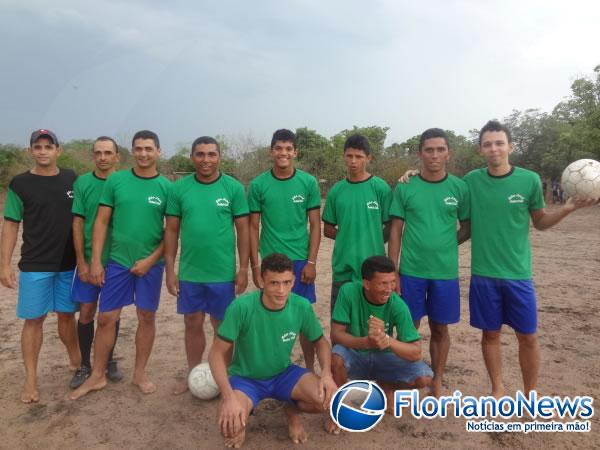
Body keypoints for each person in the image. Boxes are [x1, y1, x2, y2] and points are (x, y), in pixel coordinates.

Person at [465, 120, 598, 397]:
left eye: (499, 143)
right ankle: (498, 389)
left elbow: (540, 222)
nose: (494, 149)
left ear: (510, 146)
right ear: (481, 150)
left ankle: (530, 393)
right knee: (490, 335)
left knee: (528, 336)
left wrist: (568, 209)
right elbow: (440, 184)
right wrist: (412, 173)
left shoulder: (529, 180)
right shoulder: (470, 181)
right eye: (488, 144)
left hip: (518, 274)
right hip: (483, 274)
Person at [71, 130, 171, 400]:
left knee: (146, 317)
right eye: (138, 148)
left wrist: (150, 260)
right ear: (132, 151)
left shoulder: (167, 188)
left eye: (149, 148)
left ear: (158, 152)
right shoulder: (116, 181)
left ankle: (139, 373)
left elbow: (171, 233)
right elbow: (101, 222)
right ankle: (97, 375)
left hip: (151, 264)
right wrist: (94, 262)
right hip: (117, 262)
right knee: (106, 318)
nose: (143, 153)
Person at [208, 253, 338, 448]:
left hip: (283, 374)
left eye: (286, 282)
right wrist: (228, 396)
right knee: (229, 427)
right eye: (274, 283)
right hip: (245, 378)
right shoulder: (241, 307)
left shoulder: (301, 306)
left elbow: (321, 342)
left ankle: (291, 411)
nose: (281, 290)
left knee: (328, 401)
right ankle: (242, 413)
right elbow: (216, 353)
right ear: (261, 280)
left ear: (293, 281)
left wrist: (326, 373)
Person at [388, 128, 469, 397]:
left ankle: (437, 380)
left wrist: (445, 245)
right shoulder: (406, 186)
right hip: (410, 271)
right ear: (420, 153)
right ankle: (403, 378)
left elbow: (467, 227)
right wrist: (393, 271)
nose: (434, 155)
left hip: (444, 273)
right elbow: (396, 230)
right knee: (408, 327)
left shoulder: (459, 188)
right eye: (429, 150)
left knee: (440, 327)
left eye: (440, 149)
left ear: (448, 153)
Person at [165, 136, 249, 394]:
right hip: (191, 272)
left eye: (211, 154)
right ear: (192, 157)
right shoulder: (179, 189)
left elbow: (243, 230)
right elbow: (171, 231)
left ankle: (222, 376)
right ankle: (194, 374)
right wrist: (170, 269)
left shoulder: (233, 188)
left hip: (223, 273)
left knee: (222, 326)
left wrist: (243, 268)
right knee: (192, 322)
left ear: (219, 157)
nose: (206, 160)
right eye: (200, 154)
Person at [0, 129, 80, 403]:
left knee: (67, 316)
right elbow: (11, 224)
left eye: (48, 146)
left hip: (69, 263)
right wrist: (4, 264)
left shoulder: (72, 179)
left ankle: (76, 362)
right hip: (35, 264)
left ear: (58, 150)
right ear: (30, 150)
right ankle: (31, 379)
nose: (43, 151)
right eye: (38, 146)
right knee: (34, 320)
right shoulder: (20, 184)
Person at [248, 128, 321, 371]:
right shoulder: (258, 184)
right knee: (270, 316)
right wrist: (255, 266)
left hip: (299, 261)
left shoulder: (308, 182)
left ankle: (309, 369)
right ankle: (273, 367)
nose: (283, 153)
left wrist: (311, 263)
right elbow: (253, 226)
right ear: (271, 151)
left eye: (288, 149)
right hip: (270, 262)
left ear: (295, 152)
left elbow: (314, 224)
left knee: (304, 318)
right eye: (278, 148)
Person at [330, 256, 432, 408]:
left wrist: (387, 340)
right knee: (336, 357)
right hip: (356, 354)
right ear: (366, 284)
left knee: (424, 377)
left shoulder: (398, 305)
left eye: (392, 282)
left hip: (384, 356)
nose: (389, 289)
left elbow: (416, 352)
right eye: (383, 283)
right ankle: (339, 405)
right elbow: (336, 334)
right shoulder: (348, 292)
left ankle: (386, 386)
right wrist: (366, 342)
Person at [69, 136, 123, 389]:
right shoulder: (83, 183)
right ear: (93, 156)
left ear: (117, 157)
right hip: (91, 259)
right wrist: (82, 261)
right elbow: (78, 222)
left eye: (108, 152)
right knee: (87, 312)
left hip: (117, 261)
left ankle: (109, 361)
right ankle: (84, 366)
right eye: (98, 153)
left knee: (111, 314)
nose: (103, 157)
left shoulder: (125, 182)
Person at [322, 134, 392, 312]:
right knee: (341, 323)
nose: (354, 161)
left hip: (374, 269)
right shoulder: (336, 190)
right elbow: (328, 228)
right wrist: (348, 237)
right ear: (344, 156)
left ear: (369, 158)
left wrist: (372, 239)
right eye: (349, 156)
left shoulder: (381, 188)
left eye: (359, 157)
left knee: (373, 325)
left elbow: (391, 226)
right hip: (343, 269)